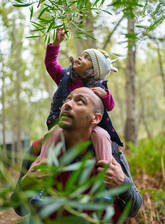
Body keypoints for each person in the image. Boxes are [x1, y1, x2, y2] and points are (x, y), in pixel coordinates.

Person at [11, 88, 142, 223]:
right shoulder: (37, 151)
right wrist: (25, 185)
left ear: (96, 118)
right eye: (67, 99)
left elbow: (134, 209)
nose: (67, 104)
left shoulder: (111, 151)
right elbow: (20, 209)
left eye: (80, 101)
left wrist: (122, 183)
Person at [45, 27, 123, 152]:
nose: (80, 58)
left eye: (87, 58)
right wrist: (56, 43)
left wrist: (105, 95)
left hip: (88, 127)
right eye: (81, 55)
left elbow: (110, 106)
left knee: (101, 135)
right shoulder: (64, 77)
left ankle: (107, 164)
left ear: (94, 70)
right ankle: (43, 163)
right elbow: (50, 64)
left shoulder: (98, 86)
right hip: (62, 121)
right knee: (52, 136)